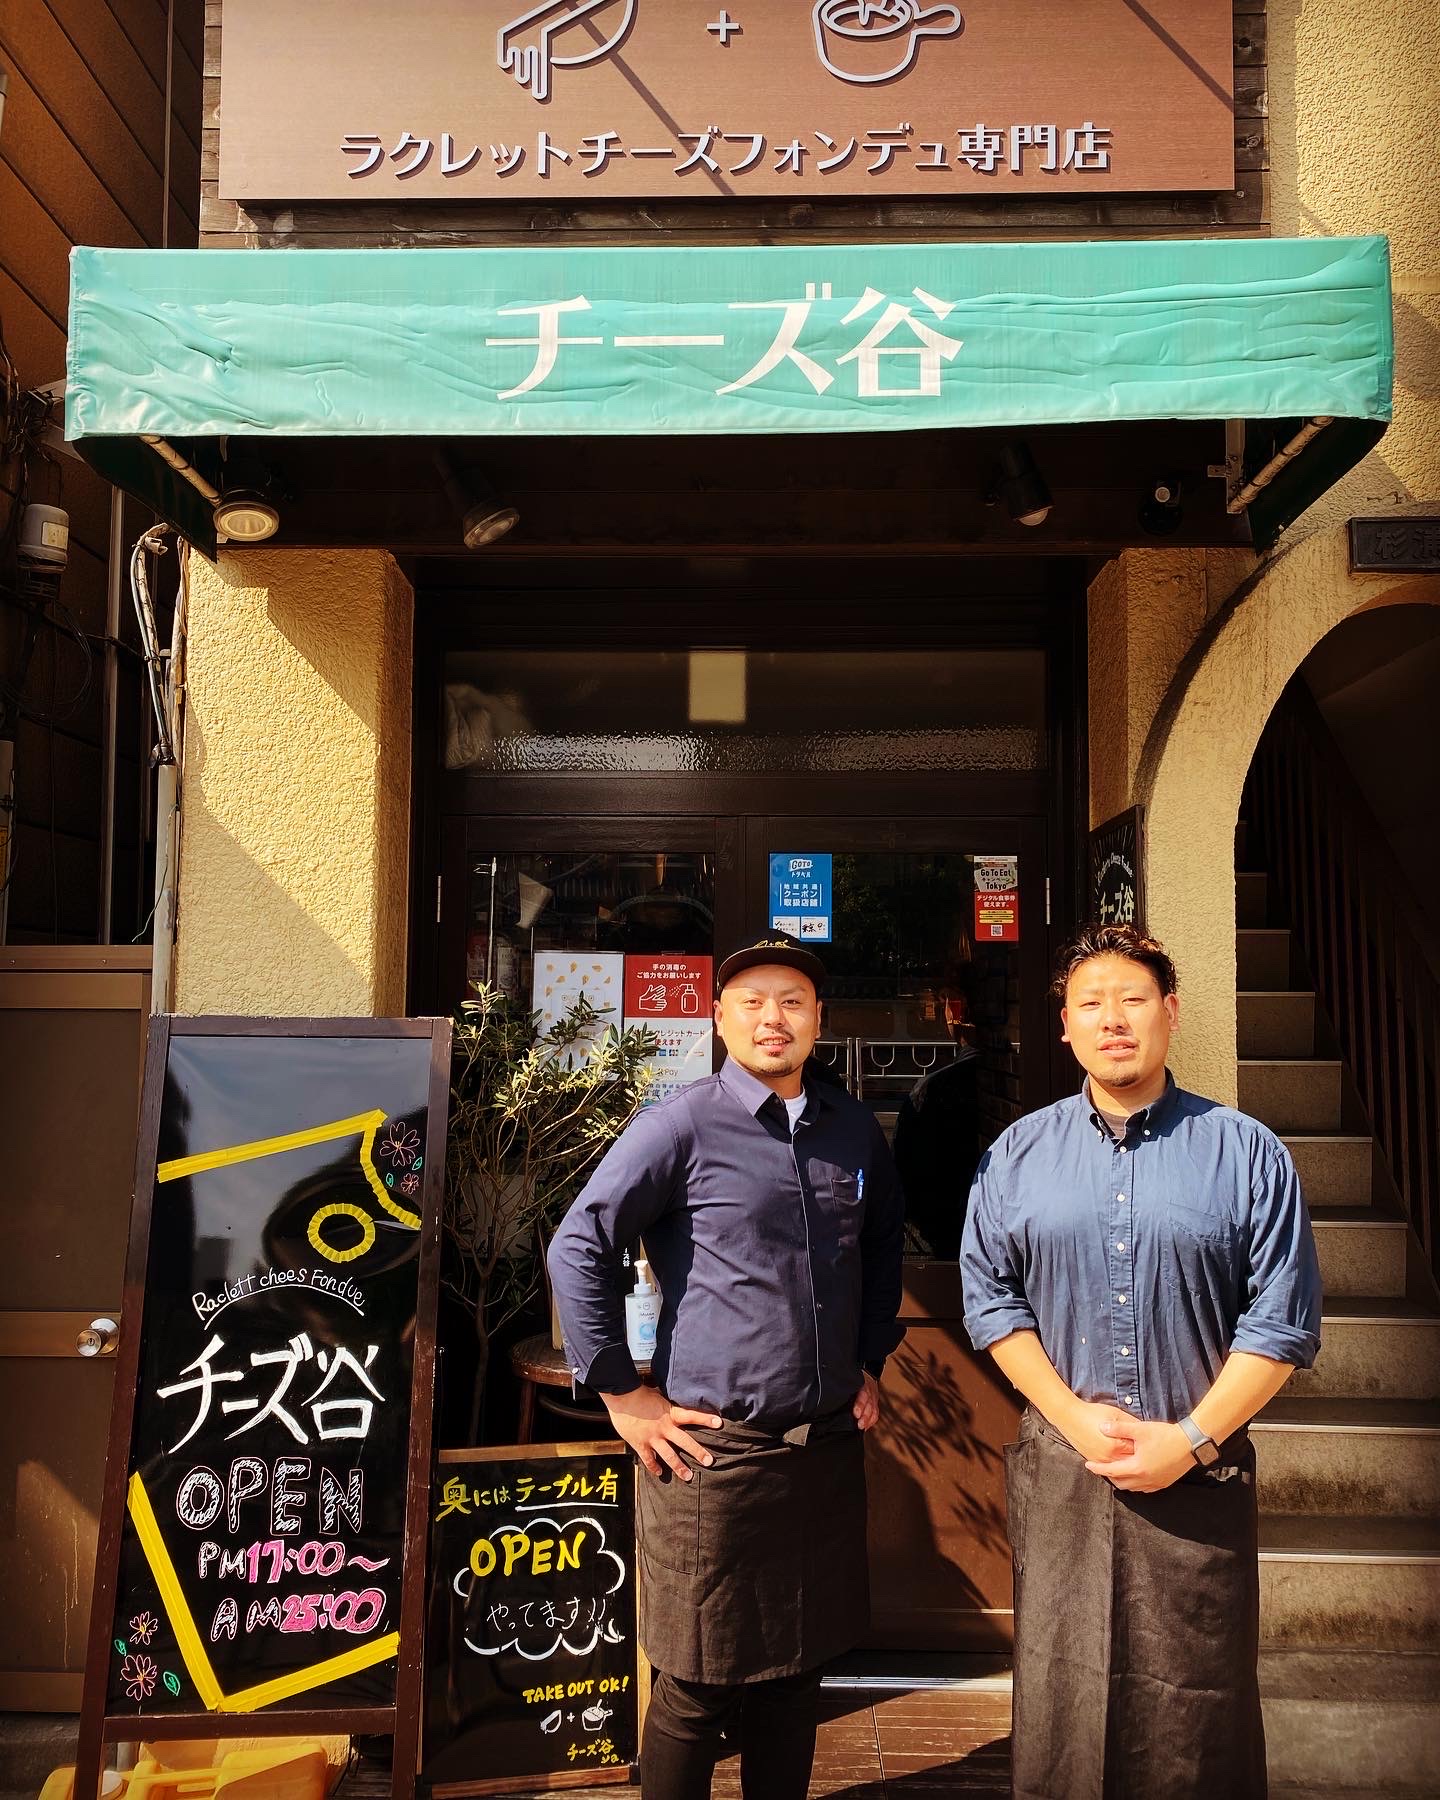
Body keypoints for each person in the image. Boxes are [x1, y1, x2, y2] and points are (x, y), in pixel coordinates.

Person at [960, 922, 1321, 1799]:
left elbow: (1280, 1325)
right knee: (1061, 1700)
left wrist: (1190, 1438)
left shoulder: (1246, 1153)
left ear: (1171, 1013)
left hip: (1200, 1476)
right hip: (1065, 1467)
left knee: (1200, 1711)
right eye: (1091, 1003)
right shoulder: (1017, 1154)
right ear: (1065, 1026)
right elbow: (991, 1300)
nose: (1112, 1019)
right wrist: (1074, 1416)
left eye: (1132, 999)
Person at [549, 932, 905, 1799]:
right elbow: (578, 1245)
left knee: (796, 1672)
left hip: (819, 1450)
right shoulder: (680, 1124)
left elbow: (883, 1247)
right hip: (715, 1456)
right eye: (751, 1001)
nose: (771, 1018)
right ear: (719, 1019)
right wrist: (622, 1394)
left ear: (819, 1018)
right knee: (697, 1684)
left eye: (791, 1001)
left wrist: (868, 1362)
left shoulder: (852, 1128)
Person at [892, 974, 983, 1257]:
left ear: (958, 1011)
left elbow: (905, 1167)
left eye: (947, 1003)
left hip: (943, 1228)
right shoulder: (1004, 1076)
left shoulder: (934, 1088)